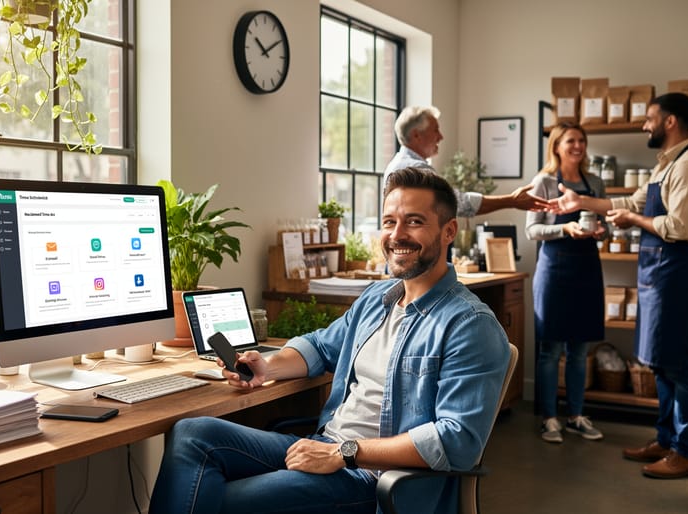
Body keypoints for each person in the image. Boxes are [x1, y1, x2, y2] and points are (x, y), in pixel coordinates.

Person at [148, 167, 511, 514]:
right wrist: (268, 365)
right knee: (192, 432)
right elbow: (323, 346)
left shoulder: (469, 325)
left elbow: (456, 440)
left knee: (214, 501)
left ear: (448, 231)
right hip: (326, 447)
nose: (397, 234)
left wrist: (344, 453)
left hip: (374, 479)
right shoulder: (377, 298)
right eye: (389, 222)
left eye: (414, 221)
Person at [550, 93, 688, 479]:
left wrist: (633, 220)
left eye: (650, 118)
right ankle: (666, 439)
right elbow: (628, 201)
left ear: (670, 122)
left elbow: (678, 228)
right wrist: (581, 201)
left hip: (677, 273)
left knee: (679, 365)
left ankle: (686, 451)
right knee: (659, 362)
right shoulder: (665, 166)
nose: (645, 125)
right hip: (658, 275)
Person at [525, 122, 606, 444]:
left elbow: (606, 224)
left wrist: (601, 231)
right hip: (554, 270)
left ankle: (576, 415)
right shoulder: (544, 182)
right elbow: (532, 230)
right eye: (571, 140)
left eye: (582, 140)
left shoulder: (595, 182)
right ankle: (549, 419)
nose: (578, 146)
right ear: (557, 146)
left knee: (579, 348)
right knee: (551, 349)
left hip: (586, 268)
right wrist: (565, 229)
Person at [383, 106, 549, 216]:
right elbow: (459, 204)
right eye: (435, 130)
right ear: (416, 135)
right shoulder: (416, 168)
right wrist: (511, 200)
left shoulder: (399, 163)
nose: (440, 137)